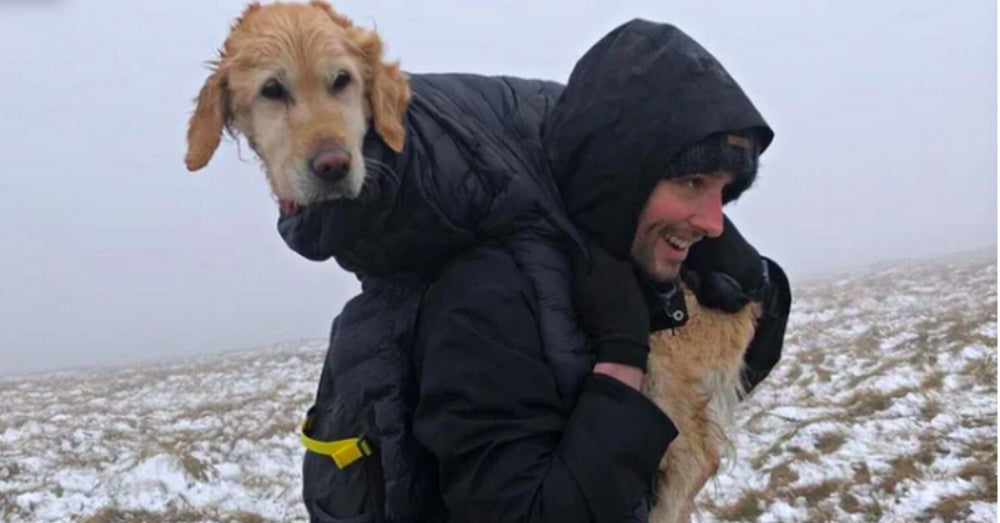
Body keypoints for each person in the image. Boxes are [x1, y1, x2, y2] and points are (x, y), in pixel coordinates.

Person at [280, 18, 789, 523]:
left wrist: (754, 284)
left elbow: (726, 385)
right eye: (693, 182)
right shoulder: (488, 298)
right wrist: (621, 362)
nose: (713, 221)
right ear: (623, 175)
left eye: (724, 192)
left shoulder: (613, 261)